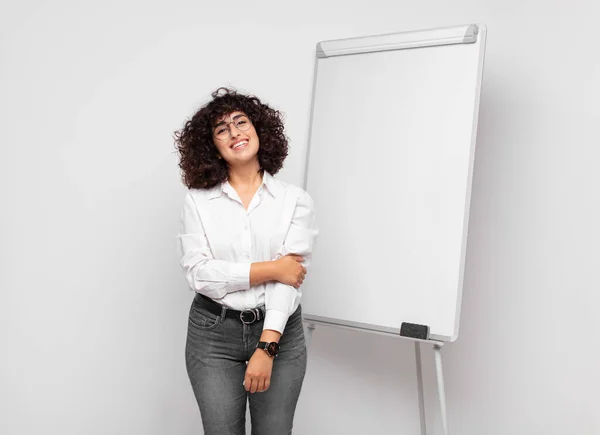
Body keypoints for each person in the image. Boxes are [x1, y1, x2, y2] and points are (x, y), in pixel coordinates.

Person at [174, 87, 318, 435]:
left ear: (259, 131)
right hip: (213, 334)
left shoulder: (293, 200)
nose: (235, 132)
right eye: (222, 129)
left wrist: (267, 347)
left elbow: (291, 278)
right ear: (213, 146)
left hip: (280, 331)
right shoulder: (197, 202)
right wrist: (272, 268)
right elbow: (200, 275)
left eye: (241, 122)